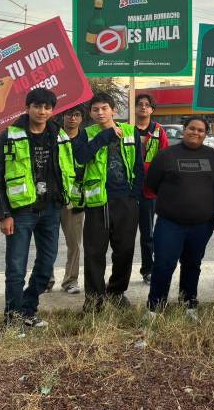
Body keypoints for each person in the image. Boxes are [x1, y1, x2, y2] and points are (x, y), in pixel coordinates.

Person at [0, 88, 76, 334]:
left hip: (50, 210)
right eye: (37, 106)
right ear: (28, 107)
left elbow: (68, 165)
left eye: (47, 107)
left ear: (52, 110)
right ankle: (12, 320)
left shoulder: (58, 135)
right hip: (21, 212)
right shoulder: (9, 135)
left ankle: (27, 311)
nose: (42, 111)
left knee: (46, 266)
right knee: (16, 268)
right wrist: (3, 214)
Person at [73, 92, 144, 311]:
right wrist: (105, 137)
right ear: (91, 113)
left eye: (104, 108)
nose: (100, 112)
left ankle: (116, 291)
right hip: (98, 203)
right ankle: (94, 298)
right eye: (95, 109)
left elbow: (138, 167)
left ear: (113, 110)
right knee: (94, 252)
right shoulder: (87, 134)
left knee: (125, 250)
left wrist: (134, 194)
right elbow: (81, 158)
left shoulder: (131, 132)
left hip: (125, 201)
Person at [145, 117, 214, 320]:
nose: (195, 133)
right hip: (170, 224)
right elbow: (152, 183)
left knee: (193, 264)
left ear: (206, 133)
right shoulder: (166, 155)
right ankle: (154, 307)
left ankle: (189, 304)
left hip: (201, 224)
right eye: (191, 129)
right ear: (184, 130)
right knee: (163, 264)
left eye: (201, 130)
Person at [45, 106, 86, 295]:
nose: (72, 118)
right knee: (47, 241)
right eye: (69, 114)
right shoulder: (51, 137)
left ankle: (70, 280)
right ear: (62, 117)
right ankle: (46, 279)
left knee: (74, 243)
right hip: (52, 198)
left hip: (74, 199)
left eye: (76, 115)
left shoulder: (85, 140)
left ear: (81, 119)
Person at [134, 93, 169, 285]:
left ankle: (148, 269)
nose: (143, 108)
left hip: (149, 190)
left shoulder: (158, 130)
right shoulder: (126, 129)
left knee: (148, 234)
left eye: (147, 105)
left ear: (152, 110)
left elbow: (164, 159)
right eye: (140, 104)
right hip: (128, 189)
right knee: (123, 235)